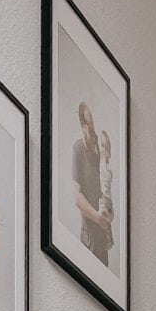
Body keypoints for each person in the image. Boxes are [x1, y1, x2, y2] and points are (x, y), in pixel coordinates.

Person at [71, 102, 110, 264]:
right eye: (88, 122)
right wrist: (97, 217)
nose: (91, 127)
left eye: (92, 122)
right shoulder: (78, 148)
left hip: (102, 239)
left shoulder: (98, 156)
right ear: (82, 124)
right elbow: (77, 197)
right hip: (89, 239)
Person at [99, 129, 115, 252]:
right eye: (102, 146)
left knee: (103, 223)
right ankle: (107, 240)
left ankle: (106, 240)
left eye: (106, 146)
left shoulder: (103, 163)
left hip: (105, 199)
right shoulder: (105, 164)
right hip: (107, 200)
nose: (104, 149)